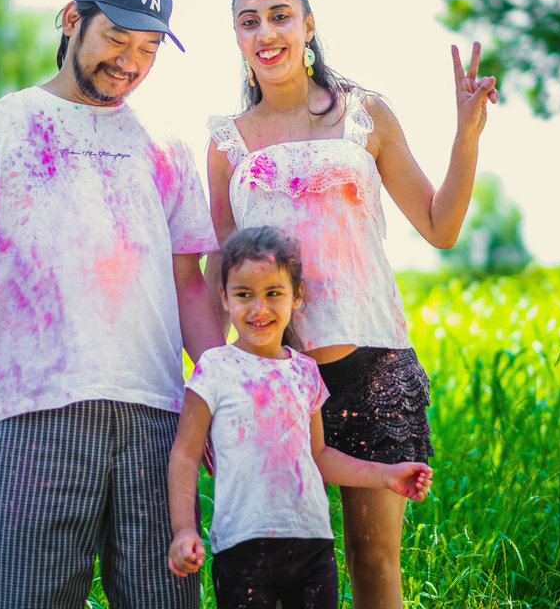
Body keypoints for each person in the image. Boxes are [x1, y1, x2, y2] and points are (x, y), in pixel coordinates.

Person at [0, 0, 223, 609]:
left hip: (157, 422)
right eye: (116, 38)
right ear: (70, 19)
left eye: (148, 49)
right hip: (32, 419)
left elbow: (190, 286)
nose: (131, 62)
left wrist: (224, 394)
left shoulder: (165, 147)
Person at [204, 0, 497, 609]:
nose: (266, 32)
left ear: (308, 25)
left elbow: (439, 225)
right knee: (279, 566)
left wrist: (466, 137)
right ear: (237, 38)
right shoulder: (227, 143)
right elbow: (218, 278)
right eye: (249, 22)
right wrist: (215, 384)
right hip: (276, 380)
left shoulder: (367, 115)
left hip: (374, 367)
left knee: (374, 562)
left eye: (280, 15)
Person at [166, 225, 433, 609]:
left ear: (297, 297)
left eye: (273, 293)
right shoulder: (215, 369)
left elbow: (319, 455)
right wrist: (184, 530)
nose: (259, 308)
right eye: (244, 295)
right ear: (224, 297)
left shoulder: (305, 373)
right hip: (242, 548)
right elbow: (186, 455)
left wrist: (386, 475)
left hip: (311, 548)